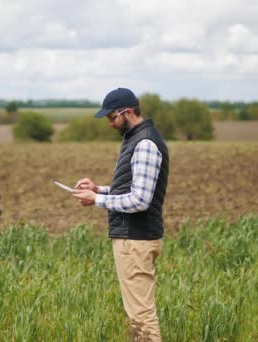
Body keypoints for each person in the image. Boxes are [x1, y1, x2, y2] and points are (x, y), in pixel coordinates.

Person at [72, 88, 169, 341]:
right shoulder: (136, 139)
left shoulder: (145, 143)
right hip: (133, 238)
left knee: (142, 317)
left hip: (136, 240)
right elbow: (131, 188)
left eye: (112, 118)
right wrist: (98, 189)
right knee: (137, 315)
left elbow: (140, 200)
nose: (110, 124)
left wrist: (97, 200)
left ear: (127, 112)